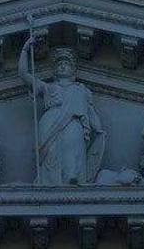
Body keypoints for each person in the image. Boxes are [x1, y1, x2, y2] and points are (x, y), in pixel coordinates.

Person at [18, 37, 105, 184]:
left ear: (73, 69)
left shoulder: (81, 90)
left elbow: (90, 111)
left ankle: (72, 181)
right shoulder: (47, 87)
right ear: (54, 70)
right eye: (59, 64)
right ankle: (49, 185)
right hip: (49, 124)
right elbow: (24, 74)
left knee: (73, 153)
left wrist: (99, 130)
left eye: (66, 64)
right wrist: (25, 50)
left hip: (73, 123)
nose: (63, 66)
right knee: (51, 157)